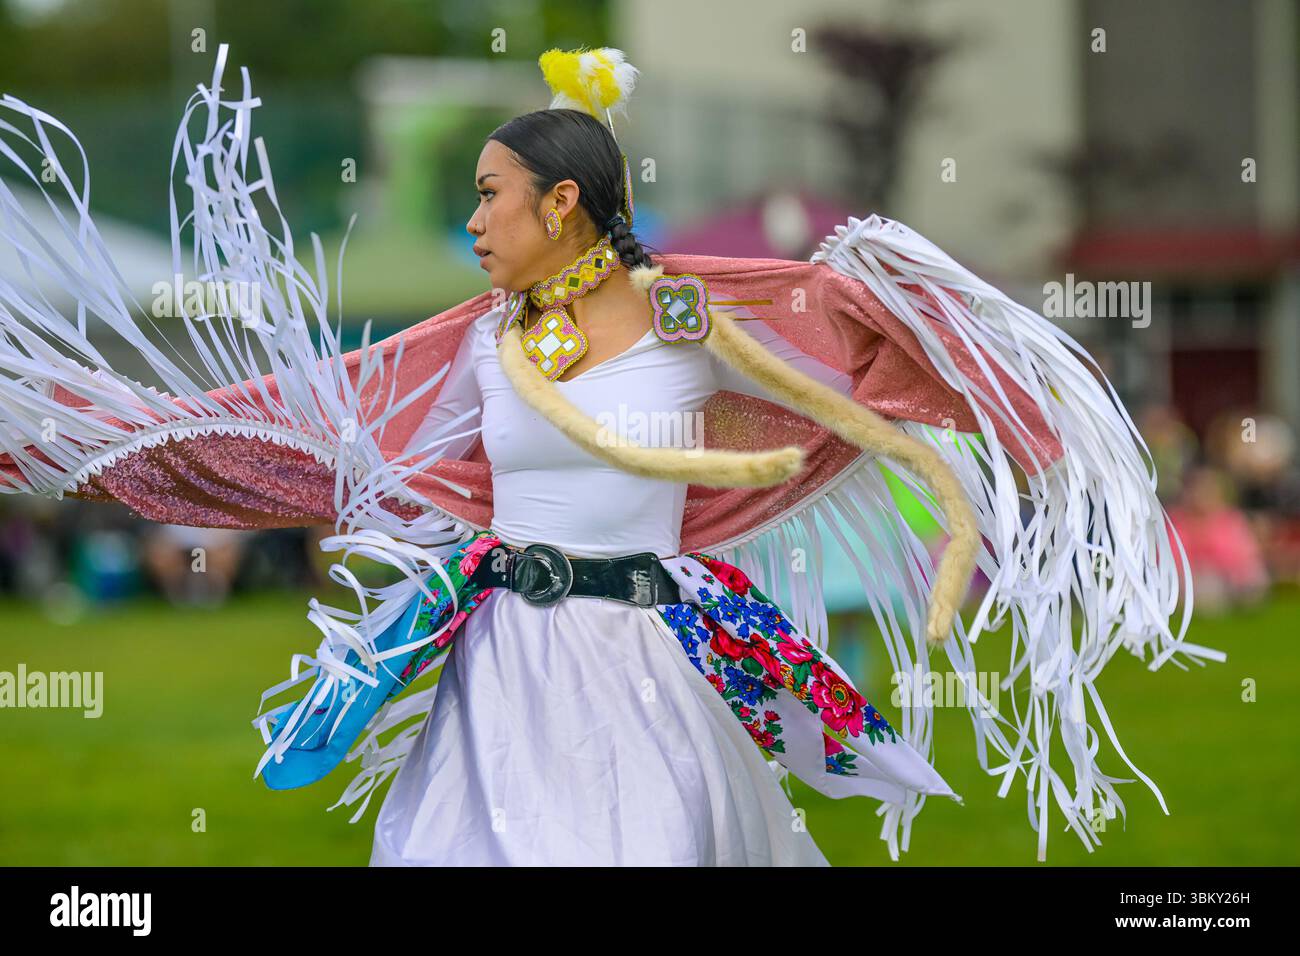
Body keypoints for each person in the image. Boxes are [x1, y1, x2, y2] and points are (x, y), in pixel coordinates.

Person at [0, 45, 1219, 864]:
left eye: (490, 194)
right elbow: (298, 429)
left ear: (563, 203)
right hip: (500, 664)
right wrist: (78, 443)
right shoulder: (475, 342)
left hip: (645, 653)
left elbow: (835, 377)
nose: (471, 220)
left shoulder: (685, 315)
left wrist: (989, 437)